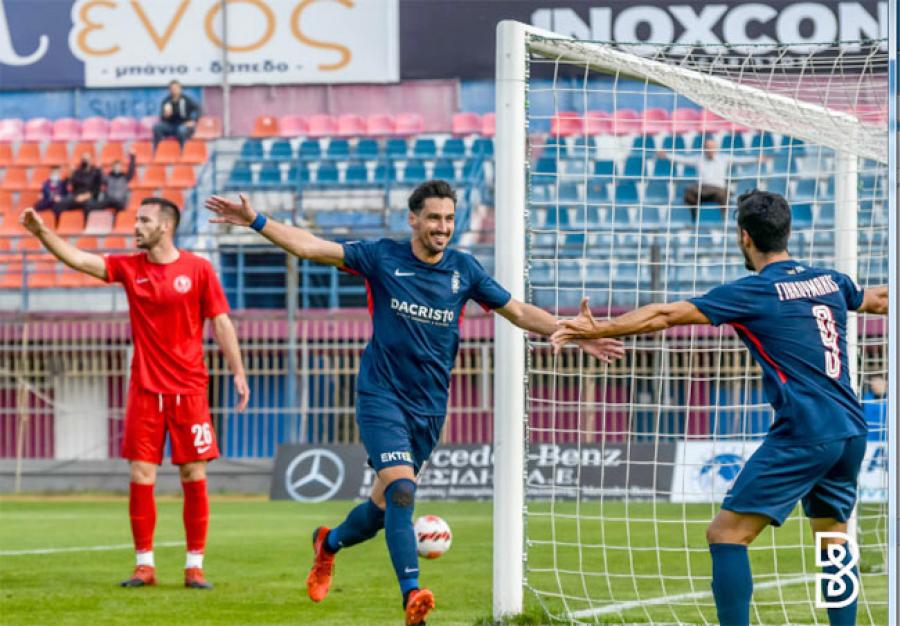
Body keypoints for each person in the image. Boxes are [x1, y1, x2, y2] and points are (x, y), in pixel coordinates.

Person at [204, 180, 624, 625]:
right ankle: (412, 596)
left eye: (449, 218)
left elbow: (518, 311)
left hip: (429, 409)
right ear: (413, 218)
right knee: (404, 491)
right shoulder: (382, 257)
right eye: (434, 218)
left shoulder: (464, 270)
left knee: (382, 509)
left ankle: (327, 544)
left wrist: (575, 332)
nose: (443, 227)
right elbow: (311, 247)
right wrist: (256, 221)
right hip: (381, 396)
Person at [551, 189, 888, 626]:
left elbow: (665, 315)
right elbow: (878, 299)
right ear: (787, 231)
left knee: (726, 535)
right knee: (832, 539)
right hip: (852, 429)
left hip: (807, 430)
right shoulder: (831, 281)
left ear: (744, 236)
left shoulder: (755, 292)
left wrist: (600, 328)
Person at [19, 197, 250, 591]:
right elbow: (80, 260)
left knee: (193, 473)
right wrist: (42, 232)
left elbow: (221, 322)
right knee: (141, 474)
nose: (136, 226)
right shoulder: (130, 268)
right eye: (136, 219)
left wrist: (239, 372)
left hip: (190, 389)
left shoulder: (198, 269)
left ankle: (195, 566)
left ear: (166, 226)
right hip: (145, 390)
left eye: (144, 220)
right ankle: (144, 565)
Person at [657, 138, 764, 220]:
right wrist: (667, 155)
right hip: (701, 190)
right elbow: (683, 159)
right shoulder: (698, 158)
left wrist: (756, 159)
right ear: (704, 148)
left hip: (718, 190)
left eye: (712, 147)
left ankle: (724, 219)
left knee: (723, 195)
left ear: (716, 148)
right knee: (688, 194)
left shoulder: (724, 158)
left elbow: (740, 160)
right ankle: (695, 218)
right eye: (707, 147)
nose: (710, 149)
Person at [153, 80, 200, 148]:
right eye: (172, 88)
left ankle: (182, 151)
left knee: (181, 130)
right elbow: (162, 117)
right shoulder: (166, 101)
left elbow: (198, 109)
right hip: (171, 125)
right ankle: (159, 149)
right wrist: (165, 115)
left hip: (184, 125)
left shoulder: (186, 99)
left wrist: (193, 121)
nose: (174, 90)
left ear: (180, 89)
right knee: (157, 127)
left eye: (176, 88)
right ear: (169, 90)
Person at [57, 151, 103, 216]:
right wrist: (70, 174)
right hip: (76, 197)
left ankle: (86, 221)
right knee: (59, 204)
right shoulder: (77, 172)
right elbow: (70, 185)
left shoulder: (95, 172)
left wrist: (88, 195)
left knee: (88, 206)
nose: (85, 161)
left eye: (87, 159)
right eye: (83, 159)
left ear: (90, 160)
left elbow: (97, 189)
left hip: (89, 197)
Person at [862, 374, 887, 442]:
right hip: (868, 440)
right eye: (872, 382)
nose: (873, 385)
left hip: (886, 440)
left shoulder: (893, 400)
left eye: (877, 382)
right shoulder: (865, 398)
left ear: (885, 383)